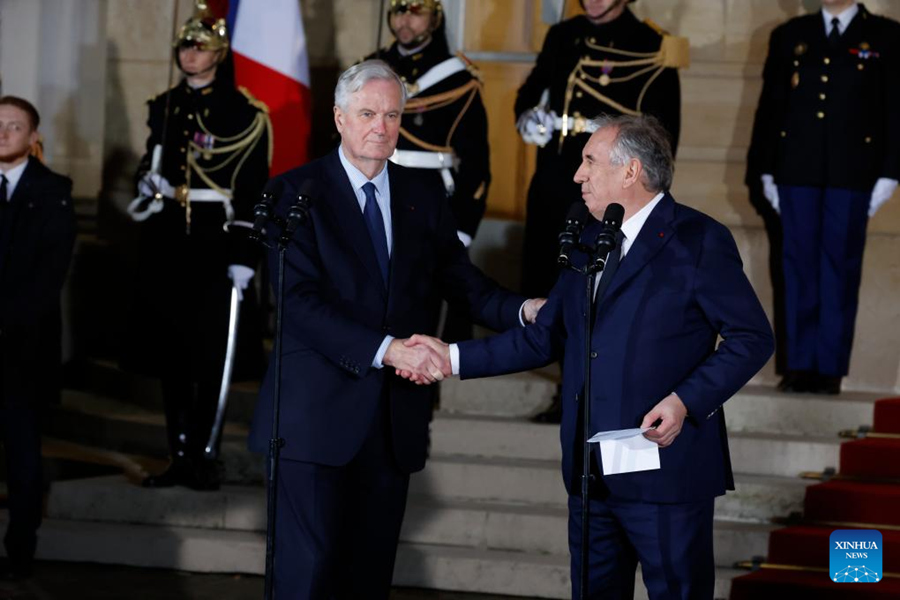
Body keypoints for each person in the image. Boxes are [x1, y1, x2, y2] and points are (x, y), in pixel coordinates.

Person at [405, 115, 774, 599]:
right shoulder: (588, 236)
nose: (577, 175)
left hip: (665, 471)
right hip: (591, 473)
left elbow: (752, 337)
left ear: (630, 172)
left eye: (589, 162)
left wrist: (685, 400)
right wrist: (449, 358)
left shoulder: (697, 240)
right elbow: (546, 336)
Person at [246, 60, 544, 600]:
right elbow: (297, 303)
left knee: (369, 579)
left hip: (390, 425)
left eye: (391, 114)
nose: (380, 127)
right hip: (314, 420)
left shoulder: (422, 193)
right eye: (367, 113)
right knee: (305, 577)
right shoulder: (294, 193)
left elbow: (463, 283)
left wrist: (525, 310)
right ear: (339, 118)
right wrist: (388, 351)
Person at [123, 3, 271, 490]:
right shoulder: (163, 105)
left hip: (216, 241)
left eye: (200, 46)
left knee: (210, 355)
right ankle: (178, 453)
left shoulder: (244, 112)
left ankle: (205, 454)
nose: (190, 54)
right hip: (168, 239)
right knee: (172, 354)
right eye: (185, 46)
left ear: (219, 53)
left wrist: (244, 255)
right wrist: (148, 182)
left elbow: (251, 188)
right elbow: (154, 160)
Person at [516, 0, 686, 422]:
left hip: (611, 190)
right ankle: (566, 384)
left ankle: (589, 391)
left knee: (600, 292)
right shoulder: (563, 35)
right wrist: (527, 116)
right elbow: (531, 90)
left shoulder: (652, 44)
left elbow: (664, 135)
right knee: (552, 282)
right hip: (557, 180)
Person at [747, 0, 900, 395]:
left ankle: (829, 367)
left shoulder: (885, 34)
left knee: (839, 267)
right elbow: (772, 107)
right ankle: (798, 365)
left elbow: (896, 108)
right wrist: (763, 167)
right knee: (796, 266)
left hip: (853, 174)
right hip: (795, 170)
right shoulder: (791, 35)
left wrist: (890, 171)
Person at [370, 0, 491, 343]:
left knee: (423, 308)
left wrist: (464, 225)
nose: (405, 19)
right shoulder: (371, 69)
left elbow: (476, 162)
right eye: (398, 11)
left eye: (416, 11)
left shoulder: (457, 77)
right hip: (376, 191)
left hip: (432, 199)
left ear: (435, 19)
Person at [0, 96, 77, 579]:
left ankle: (20, 551)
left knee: (22, 452)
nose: (3, 133)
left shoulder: (54, 190)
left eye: (14, 126)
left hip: (21, 346)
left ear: (33, 137)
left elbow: (49, 275)